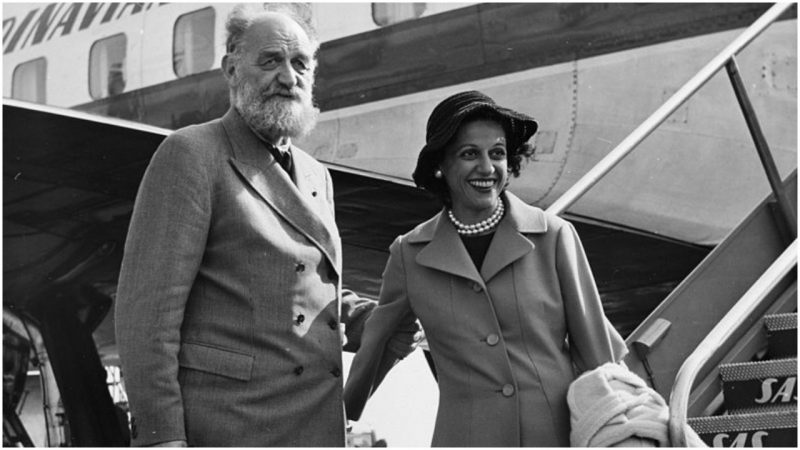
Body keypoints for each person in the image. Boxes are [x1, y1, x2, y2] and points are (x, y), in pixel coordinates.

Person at [115, 4, 413, 447]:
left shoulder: (316, 175)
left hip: (312, 424)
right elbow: (147, 315)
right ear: (231, 69)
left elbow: (303, 291)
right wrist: (163, 437)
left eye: (300, 64)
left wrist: (392, 316)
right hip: (232, 426)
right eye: (271, 60)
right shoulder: (192, 154)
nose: (288, 77)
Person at [343, 90, 629, 447]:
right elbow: (384, 342)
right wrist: (339, 416)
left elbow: (598, 354)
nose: (487, 167)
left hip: (555, 436)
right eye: (469, 154)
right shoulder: (410, 253)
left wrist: (623, 429)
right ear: (441, 165)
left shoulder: (554, 236)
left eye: (497, 153)